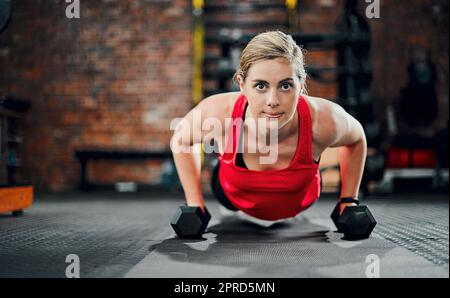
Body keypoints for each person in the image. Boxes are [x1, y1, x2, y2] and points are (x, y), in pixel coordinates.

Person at [171, 31, 367, 223]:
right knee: (222, 172)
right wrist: (195, 203)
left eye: (285, 86)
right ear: (242, 84)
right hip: (231, 195)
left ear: (301, 83)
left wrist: (349, 200)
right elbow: (181, 140)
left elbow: (357, 139)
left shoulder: (324, 119)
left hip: (299, 198)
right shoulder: (218, 112)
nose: (273, 101)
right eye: (261, 86)